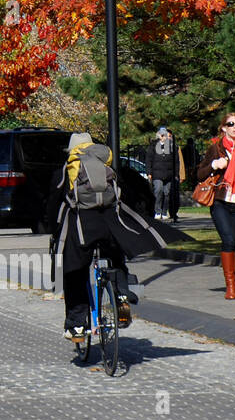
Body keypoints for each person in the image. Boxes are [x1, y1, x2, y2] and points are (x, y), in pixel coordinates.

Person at [49, 133, 186, 340]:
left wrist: (53, 227)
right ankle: (121, 294)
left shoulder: (66, 170)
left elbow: (53, 203)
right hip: (110, 224)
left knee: (74, 271)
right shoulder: (108, 166)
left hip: (82, 227)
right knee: (115, 256)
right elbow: (126, 195)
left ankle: (77, 326)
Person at [197, 112, 235, 300]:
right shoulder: (215, 149)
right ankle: (231, 285)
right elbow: (200, 174)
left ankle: (233, 274)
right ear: (223, 127)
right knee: (228, 241)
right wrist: (214, 164)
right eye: (230, 124)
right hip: (220, 202)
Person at [147, 126, 178, 221]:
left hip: (168, 173)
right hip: (157, 173)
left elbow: (176, 161)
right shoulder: (153, 146)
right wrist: (149, 172)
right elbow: (149, 160)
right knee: (158, 191)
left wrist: (176, 173)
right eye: (161, 135)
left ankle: (164, 211)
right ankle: (157, 211)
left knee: (167, 193)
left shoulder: (172, 146)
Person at [167, 128, 185, 222]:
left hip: (175, 175)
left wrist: (181, 175)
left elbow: (180, 162)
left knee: (175, 195)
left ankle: (174, 213)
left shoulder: (176, 147)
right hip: (164, 175)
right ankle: (163, 212)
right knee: (165, 194)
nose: (168, 138)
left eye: (170, 136)